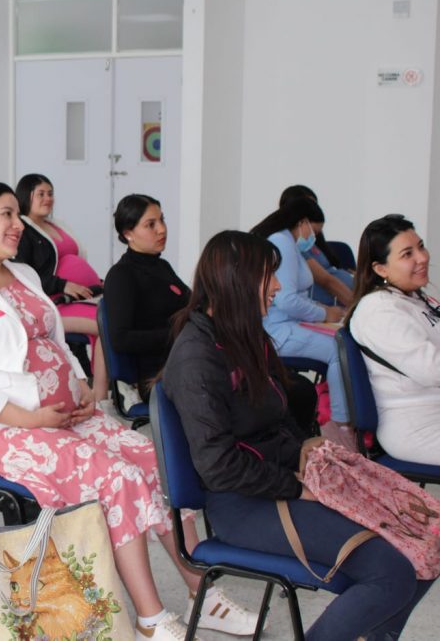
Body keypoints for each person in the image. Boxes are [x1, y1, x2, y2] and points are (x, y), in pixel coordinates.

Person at [0, 180, 259, 641]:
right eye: (6, 213)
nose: (17, 224)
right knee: (117, 478)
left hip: (68, 416)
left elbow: (56, 342)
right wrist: (35, 418)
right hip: (5, 431)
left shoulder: (23, 275)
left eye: (18, 215)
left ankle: (202, 591)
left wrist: (81, 384)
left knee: (157, 464)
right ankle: (150, 616)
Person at [162, 230, 433, 641]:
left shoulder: (247, 334)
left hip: (283, 480)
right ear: (237, 281)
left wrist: (307, 443)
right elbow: (218, 468)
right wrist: (295, 485)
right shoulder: (196, 356)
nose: (277, 286)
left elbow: (277, 412)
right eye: (268, 276)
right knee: (390, 568)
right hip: (243, 504)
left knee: (425, 532)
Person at [347, 214, 440, 464]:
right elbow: (433, 370)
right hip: (418, 425)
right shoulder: (379, 311)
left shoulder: (415, 298)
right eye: (407, 254)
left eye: (420, 246)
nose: (422, 258)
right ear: (380, 268)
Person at [251, 198, 350, 429]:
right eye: (313, 232)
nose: (313, 239)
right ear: (302, 222)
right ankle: (340, 424)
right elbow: (286, 300)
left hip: (290, 325)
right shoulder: (282, 242)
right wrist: (325, 314)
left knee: (344, 341)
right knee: (340, 349)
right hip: (279, 329)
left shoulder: (288, 242)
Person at [13, 173, 108, 399]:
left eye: (51, 193)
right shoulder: (23, 231)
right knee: (106, 324)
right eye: (41, 194)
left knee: (117, 315)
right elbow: (24, 274)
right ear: (26, 196)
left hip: (81, 297)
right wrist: (62, 284)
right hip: (55, 304)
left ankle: (115, 387)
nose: (48, 198)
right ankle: (102, 395)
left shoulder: (56, 224)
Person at [103, 194, 189, 399]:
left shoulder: (162, 266)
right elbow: (121, 339)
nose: (162, 229)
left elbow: (191, 303)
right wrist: (175, 332)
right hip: (158, 374)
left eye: (162, 220)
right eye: (151, 224)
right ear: (128, 233)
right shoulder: (122, 275)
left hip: (183, 360)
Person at [279, 185, 354, 306]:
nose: (312, 210)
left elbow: (332, 271)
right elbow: (327, 281)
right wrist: (356, 308)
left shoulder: (312, 241)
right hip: (332, 308)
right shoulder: (291, 245)